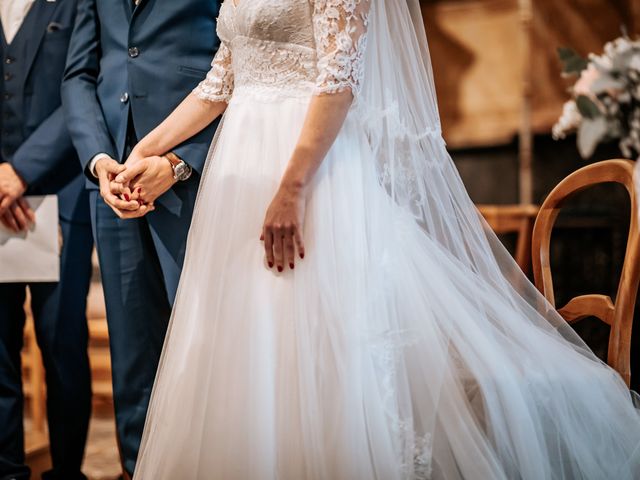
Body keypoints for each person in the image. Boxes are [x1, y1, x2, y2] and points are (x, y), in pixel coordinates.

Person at [130, 0, 640, 478]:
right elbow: (221, 81)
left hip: (309, 169)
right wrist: (142, 152)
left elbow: (338, 78)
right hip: (237, 172)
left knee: (313, 339)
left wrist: (293, 189)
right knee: (245, 345)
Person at [61, 0, 222, 476]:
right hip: (112, 183)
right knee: (131, 351)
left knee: (204, 343)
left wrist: (178, 161)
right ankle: (139, 468)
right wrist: (98, 159)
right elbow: (79, 75)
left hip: (198, 180)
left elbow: (242, 64)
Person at [0, 1, 93, 479]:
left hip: (61, 194)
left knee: (63, 346)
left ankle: (67, 472)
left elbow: (81, 84)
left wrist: (21, 170)